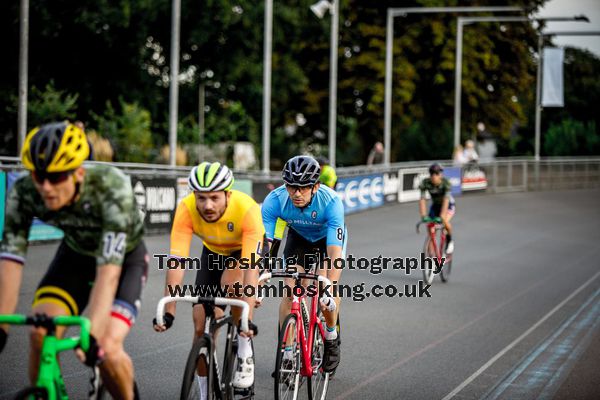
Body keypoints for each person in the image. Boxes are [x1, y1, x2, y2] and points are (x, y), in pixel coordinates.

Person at [0, 121, 148, 400]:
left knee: (107, 347)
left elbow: (108, 273)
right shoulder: (23, 192)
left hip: (123, 261)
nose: (45, 187)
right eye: (38, 176)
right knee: (39, 334)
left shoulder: (111, 189)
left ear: (79, 172)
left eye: (56, 178)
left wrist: (91, 332)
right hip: (75, 256)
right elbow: (10, 261)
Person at [153, 162, 264, 395]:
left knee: (231, 285)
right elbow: (176, 262)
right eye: (201, 198)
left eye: (214, 198)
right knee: (200, 324)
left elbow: (250, 269)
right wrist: (169, 309)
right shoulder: (186, 209)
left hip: (241, 251)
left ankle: (244, 350)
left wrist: (247, 317)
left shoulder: (247, 209)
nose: (207, 205)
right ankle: (205, 392)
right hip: (212, 252)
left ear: (228, 194)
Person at [262, 155, 347, 374]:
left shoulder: (331, 201)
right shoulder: (275, 200)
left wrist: (330, 284)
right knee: (290, 291)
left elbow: (334, 253)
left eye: (303, 187)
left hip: (325, 242)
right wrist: (259, 277)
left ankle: (331, 335)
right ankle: (288, 352)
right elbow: (267, 245)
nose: (297, 193)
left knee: (324, 287)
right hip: (298, 239)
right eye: (292, 187)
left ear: (316, 186)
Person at [419, 163, 455, 254]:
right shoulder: (426, 183)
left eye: (436, 173)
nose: (434, 176)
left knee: (444, 220)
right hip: (435, 206)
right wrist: (423, 215)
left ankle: (450, 240)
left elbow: (446, 200)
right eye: (432, 174)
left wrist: (442, 215)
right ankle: (432, 256)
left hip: (448, 205)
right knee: (430, 228)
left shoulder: (446, 183)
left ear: (441, 174)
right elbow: (422, 199)